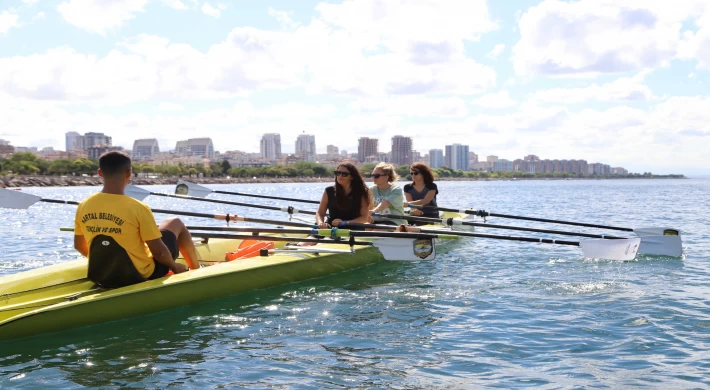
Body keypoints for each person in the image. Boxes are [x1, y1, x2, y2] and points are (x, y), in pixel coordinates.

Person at [73, 151, 200, 288]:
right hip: (139, 275)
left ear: (100, 173)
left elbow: (79, 246)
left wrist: (108, 262)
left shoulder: (83, 206)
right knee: (175, 222)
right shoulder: (138, 207)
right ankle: (197, 269)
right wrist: (175, 267)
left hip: (103, 275)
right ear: (129, 173)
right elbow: (159, 252)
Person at [315, 163, 371, 229]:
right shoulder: (329, 191)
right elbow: (320, 213)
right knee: (311, 238)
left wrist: (344, 222)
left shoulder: (362, 192)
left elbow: (364, 218)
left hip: (352, 228)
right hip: (330, 227)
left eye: (344, 174)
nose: (340, 176)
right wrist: (320, 223)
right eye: (338, 173)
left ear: (352, 176)